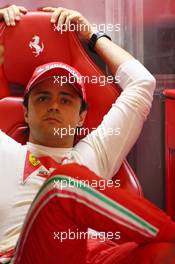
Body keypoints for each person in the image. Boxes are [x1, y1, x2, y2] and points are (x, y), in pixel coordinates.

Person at [0, 5, 175, 264]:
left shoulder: (96, 152)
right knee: (63, 184)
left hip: (95, 255)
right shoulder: (5, 150)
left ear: (82, 116)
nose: (54, 105)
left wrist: (92, 35)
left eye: (66, 99)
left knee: (163, 253)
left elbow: (142, 83)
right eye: (43, 97)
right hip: (25, 254)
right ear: (25, 112)